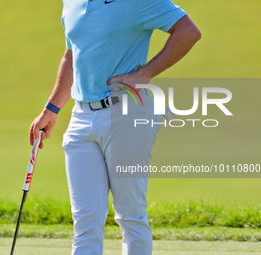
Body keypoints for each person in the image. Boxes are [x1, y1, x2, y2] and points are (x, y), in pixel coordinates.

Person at [29, 0, 201, 254]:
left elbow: (188, 32)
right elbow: (72, 53)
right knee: (85, 222)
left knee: (130, 215)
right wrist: (51, 109)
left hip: (127, 112)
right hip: (81, 118)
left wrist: (145, 74)